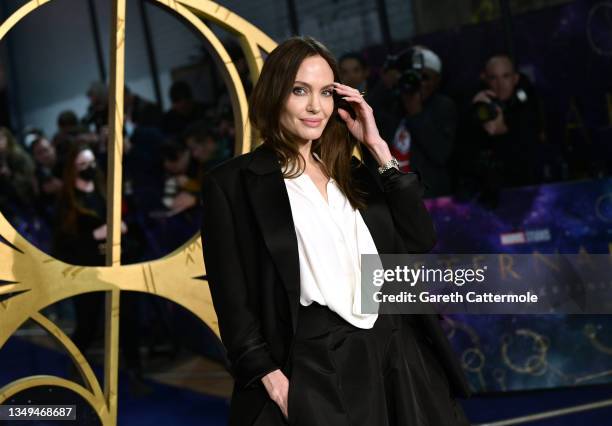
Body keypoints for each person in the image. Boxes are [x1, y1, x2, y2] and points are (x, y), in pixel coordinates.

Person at [201, 36, 469, 426]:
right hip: (317, 361)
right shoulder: (233, 184)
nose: (315, 107)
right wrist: (273, 382)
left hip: (396, 351)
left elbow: (418, 238)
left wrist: (377, 147)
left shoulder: (352, 171)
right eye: (299, 91)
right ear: (275, 94)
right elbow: (232, 299)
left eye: (326, 92)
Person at [460, 54, 542, 204]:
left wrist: (502, 132)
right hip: (484, 200)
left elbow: (531, 159)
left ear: (515, 78)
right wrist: (474, 115)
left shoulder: (530, 109)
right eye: (493, 78)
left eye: (505, 76)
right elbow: (463, 161)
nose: (500, 84)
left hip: (523, 196)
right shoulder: (476, 107)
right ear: (484, 79)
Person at [377, 47, 457, 198]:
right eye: (413, 76)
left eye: (425, 77)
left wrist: (415, 113)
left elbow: (441, 154)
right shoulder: (393, 105)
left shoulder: (443, 106)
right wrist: (385, 85)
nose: (419, 82)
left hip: (431, 198)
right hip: (396, 197)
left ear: (437, 80)